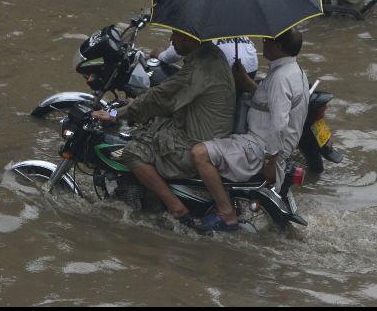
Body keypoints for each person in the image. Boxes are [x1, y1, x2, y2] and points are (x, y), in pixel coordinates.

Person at [91, 30, 236, 225]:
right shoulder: (212, 54)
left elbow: (158, 97)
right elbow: (167, 100)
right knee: (150, 124)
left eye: (176, 35)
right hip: (211, 131)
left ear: (189, 38)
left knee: (132, 152)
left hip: (196, 140)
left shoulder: (196, 69)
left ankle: (177, 209)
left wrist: (116, 114)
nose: (171, 40)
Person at [190, 28, 309, 232]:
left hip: (260, 146)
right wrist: (246, 80)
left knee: (199, 153)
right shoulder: (292, 71)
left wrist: (271, 160)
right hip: (265, 143)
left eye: (267, 40)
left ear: (279, 47)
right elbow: (270, 103)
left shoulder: (281, 78)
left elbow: (279, 124)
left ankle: (225, 213)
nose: (263, 42)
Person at [151, 36, 259, 81]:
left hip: (229, 73)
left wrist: (159, 55)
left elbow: (175, 54)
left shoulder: (198, 22)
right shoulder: (232, 19)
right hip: (250, 70)